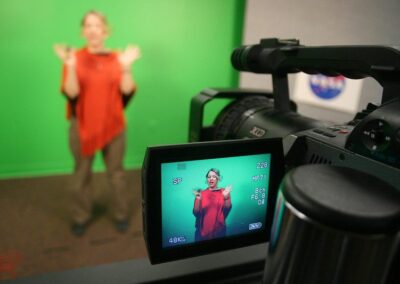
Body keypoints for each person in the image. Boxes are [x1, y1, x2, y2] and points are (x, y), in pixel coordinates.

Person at [54, 10, 141, 236]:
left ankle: (121, 215)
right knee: (81, 173)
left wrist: (126, 67)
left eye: (97, 25)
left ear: (105, 30)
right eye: (88, 26)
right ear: (83, 31)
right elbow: (71, 93)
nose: (92, 30)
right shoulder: (74, 57)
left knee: (117, 174)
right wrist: (71, 65)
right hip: (82, 124)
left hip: (113, 124)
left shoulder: (117, 58)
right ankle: (81, 216)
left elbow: (127, 91)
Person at [193, 168, 232, 241]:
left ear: (218, 178)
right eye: (209, 177)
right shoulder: (201, 193)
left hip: (219, 233)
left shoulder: (224, 191)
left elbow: (227, 210)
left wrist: (226, 197)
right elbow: (196, 213)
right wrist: (198, 198)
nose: (211, 179)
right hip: (201, 234)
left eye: (214, 176)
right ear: (206, 179)